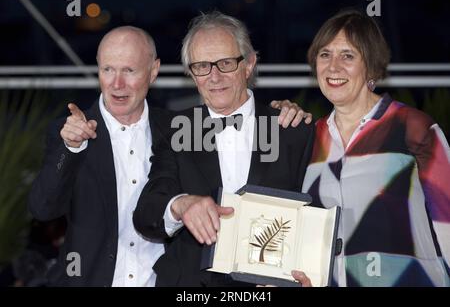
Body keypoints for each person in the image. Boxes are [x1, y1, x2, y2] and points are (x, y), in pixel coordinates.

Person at [28, 25, 308, 287]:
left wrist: (281, 111)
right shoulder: (71, 131)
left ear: (153, 71)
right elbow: (43, 209)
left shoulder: (176, 127)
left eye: (129, 70)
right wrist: (71, 148)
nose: (117, 83)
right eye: (108, 69)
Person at [133, 11, 315, 287]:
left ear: (249, 64)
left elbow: (316, 218)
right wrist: (180, 205)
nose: (214, 76)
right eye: (202, 66)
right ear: (192, 75)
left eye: (226, 63)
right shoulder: (176, 130)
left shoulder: (291, 130)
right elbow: (147, 215)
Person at [301, 9, 450, 286]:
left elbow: (448, 219)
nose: (333, 67)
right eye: (325, 54)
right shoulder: (309, 138)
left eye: (347, 55)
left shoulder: (413, 127)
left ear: (370, 65)